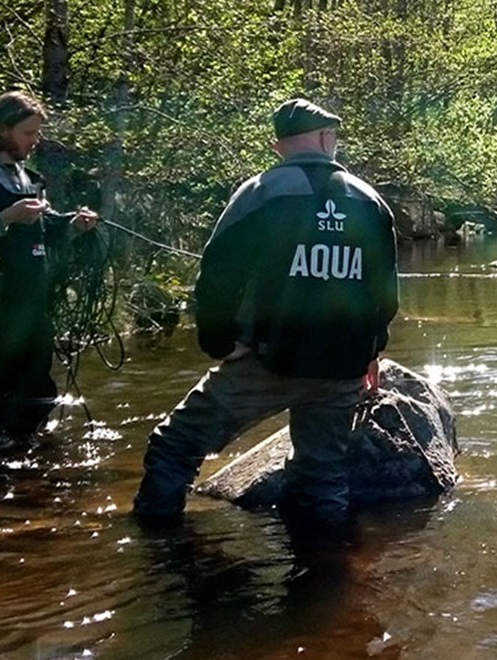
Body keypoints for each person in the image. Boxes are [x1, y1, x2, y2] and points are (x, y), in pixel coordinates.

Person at [133, 98, 399, 524]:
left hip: (267, 361)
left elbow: (217, 276)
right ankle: (327, 577)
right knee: (323, 477)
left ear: (279, 146)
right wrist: (371, 352)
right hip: (341, 369)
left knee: (175, 445)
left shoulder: (259, 193)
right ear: (328, 138)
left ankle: (157, 556)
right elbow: (384, 295)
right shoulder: (368, 201)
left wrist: (220, 344)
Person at [0, 90, 98, 448]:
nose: (35, 140)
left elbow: (46, 234)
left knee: (38, 392)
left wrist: (75, 225)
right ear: (3, 130)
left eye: (37, 133)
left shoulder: (29, 180)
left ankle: (28, 469)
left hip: (32, 305)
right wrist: (5, 218)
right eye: (29, 133)